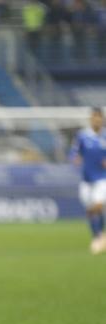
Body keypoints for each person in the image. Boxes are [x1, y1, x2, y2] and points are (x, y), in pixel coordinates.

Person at [69, 107, 106, 254]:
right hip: (86, 179)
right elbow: (73, 152)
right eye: (94, 117)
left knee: (97, 206)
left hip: (102, 178)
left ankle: (99, 237)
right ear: (91, 119)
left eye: (99, 117)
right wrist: (75, 158)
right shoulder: (83, 136)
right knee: (92, 210)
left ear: (102, 119)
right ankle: (98, 236)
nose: (97, 119)